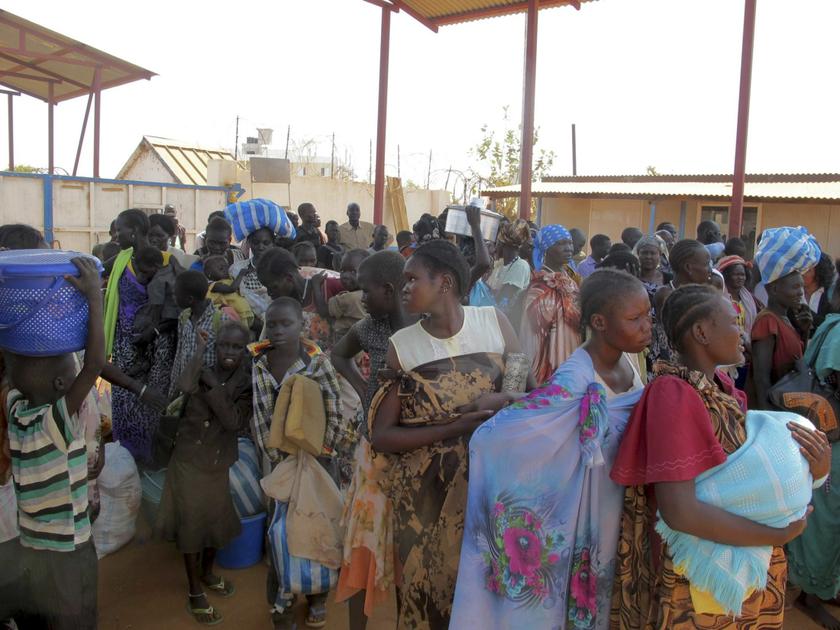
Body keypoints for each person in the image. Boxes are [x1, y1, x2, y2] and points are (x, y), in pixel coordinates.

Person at [610, 284, 829, 629]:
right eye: (733, 322)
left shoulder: (725, 392)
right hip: (701, 575)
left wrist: (815, 469)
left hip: (741, 561)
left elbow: (748, 482)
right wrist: (775, 536)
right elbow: (680, 512)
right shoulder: (674, 395)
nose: (742, 331)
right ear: (701, 332)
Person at [452, 269, 651, 628]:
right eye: (635, 318)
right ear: (600, 322)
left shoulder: (628, 361)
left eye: (647, 315)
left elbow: (558, 408)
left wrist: (514, 395)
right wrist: (500, 417)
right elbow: (538, 424)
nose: (646, 326)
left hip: (613, 498)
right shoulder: (577, 375)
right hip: (585, 503)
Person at [369, 240, 529, 629]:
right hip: (423, 498)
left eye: (412, 279)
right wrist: (456, 426)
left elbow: (524, 396)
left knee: (483, 585)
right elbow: (382, 436)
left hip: (488, 486)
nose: (404, 288)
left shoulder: (494, 323)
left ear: (444, 282)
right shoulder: (401, 348)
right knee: (427, 590)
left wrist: (501, 396)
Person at [5, 257, 104, 629]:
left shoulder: (16, 410)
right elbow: (95, 363)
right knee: (74, 617)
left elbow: (12, 373)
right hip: (68, 547)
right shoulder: (55, 422)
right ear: (64, 387)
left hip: (32, 544)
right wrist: (94, 296)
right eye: (70, 368)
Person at [251, 297, 350, 629]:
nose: (278, 330)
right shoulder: (260, 365)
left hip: (321, 460)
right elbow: (263, 416)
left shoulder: (315, 362)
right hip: (282, 465)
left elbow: (334, 408)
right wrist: (279, 460)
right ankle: (282, 599)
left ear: (301, 326)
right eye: (272, 324)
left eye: (286, 324)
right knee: (281, 531)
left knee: (319, 524)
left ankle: (317, 595)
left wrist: (324, 450)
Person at [333, 251, 416, 626]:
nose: (359, 296)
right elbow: (339, 355)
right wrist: (365, 387)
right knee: (364, 546)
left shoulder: (425, 327)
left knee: (408, 550)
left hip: (416, 451)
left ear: (388, 289)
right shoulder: (369, 328)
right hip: (375, 452)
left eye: (365, 291)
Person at [155, 322, 252, 626]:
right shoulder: (202, 367)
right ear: (216, 346)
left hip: (217, 462)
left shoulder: (245, 383)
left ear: (244, 350)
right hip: (188, 460)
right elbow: (184, 386)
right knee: (192, 526)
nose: (229, 352)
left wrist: (214, 386)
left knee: (216, 521)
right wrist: (199, 350)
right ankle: (195, 591)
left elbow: (234, 421)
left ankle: (207, 573)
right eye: (224, 345)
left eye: (237, 347)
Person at [102, 209, 174, 465]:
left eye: (120, 229)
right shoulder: (123, 257)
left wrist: (151, 333)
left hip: (152, 349)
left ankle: (148, 470)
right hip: (124, 345)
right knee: (123, 406)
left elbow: (173, 309)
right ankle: (126, 466)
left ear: (133, 230)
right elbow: (98, 270)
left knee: (148, 411)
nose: (116, 234)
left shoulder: (162, 261)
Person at [787, 300, 840, 629]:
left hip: (827, 439)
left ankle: (823, 585)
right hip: (832, 443)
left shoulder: (830, 324)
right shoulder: (838, 332)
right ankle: (811, 595)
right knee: (826, 520)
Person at [751, 226, 822, 409]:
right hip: (772, 410)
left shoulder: (785, 319)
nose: (801, 293)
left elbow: (796, 364)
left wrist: (805, 332)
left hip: (786, 406)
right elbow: (761, 379)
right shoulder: (767, 322)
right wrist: (769, 418)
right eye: (795, 288)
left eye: (801, 287)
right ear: (774, 290)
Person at [519, 225, 582, 384]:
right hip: (548, 353)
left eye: (569, 243)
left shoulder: (571, 280)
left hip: (571, 349)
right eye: (561, 244)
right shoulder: (539, 284)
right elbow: (532, 329)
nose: (568, 248)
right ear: (546, 248)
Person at [649, 239, 712, 365]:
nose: (710, 269)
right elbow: (669, 342)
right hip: (675, 366)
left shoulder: (702, 294)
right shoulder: (666, 295)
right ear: (689, 268)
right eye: (706, 264)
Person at [169, 270, 230, 397]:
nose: (173, 298)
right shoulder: (184, 318)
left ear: (190, 299)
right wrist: (173, 389)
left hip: (208, 391)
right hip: (186, 390)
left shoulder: (221, 320)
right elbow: (179, 355)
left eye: (175, 295)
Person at [717, 255, 760, 389]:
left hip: (746, 355)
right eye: (735, 274)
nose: (740, 277)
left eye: (742, 274)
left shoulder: (750, 299)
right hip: (725, 355)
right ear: (726, 275)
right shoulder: (719, 298)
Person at [313, 249, 369, 343]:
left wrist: (316, 285)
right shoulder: (370, 294)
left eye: (353, 272)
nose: (345, 276)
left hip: (345, 342)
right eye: (342, 270)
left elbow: (323, 311)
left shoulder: (348, 298)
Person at [229, 226, 276, 321]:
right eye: (256, 242)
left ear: (273, 244)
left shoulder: (279, 270)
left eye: (266, 243)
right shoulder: (237, 269)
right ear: (249, 243)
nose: (261, 247)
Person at [487, 219, 532, 312]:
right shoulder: (500, 265)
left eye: (497, 242)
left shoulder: (520, 266)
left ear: (503, 244)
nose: (495, 247)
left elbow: (503, 298)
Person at [203, 254, 254, 327]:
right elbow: (231, 289)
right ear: (209, 275)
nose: (225, 270)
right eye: (221, 269)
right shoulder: (214, 285)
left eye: (226, 267)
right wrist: (241, 274)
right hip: (234, 315)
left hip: (244, 311)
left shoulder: (231, 278)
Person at [634, 234, 671, 301]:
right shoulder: (633, 278)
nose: (648, 257)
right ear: (638, 254)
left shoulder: (669, 278)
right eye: (644, 253)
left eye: (653, 253)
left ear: (659, 255)